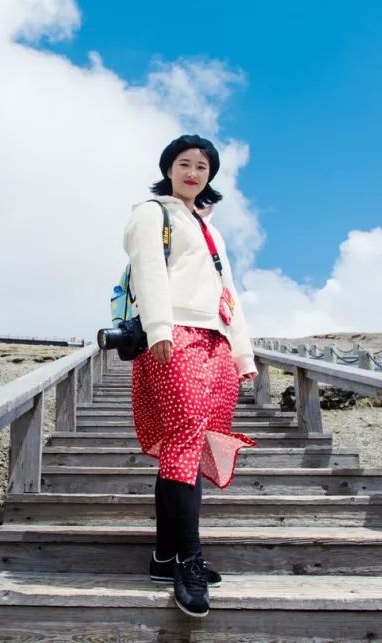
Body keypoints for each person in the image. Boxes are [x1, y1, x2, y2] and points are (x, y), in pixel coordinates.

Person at [123, 134, 258, 618]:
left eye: (202, 166)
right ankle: (189, 559)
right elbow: (148, 271)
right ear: (169, 168)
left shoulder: (209, 228)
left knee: (190, 445)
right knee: (182, 440)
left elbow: (228, 292)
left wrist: (242, 353)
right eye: (184, 163)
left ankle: (165, 556)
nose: (193, 172)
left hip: (215, 341)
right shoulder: (151, 213)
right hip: (175, 334)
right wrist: (159, 327)